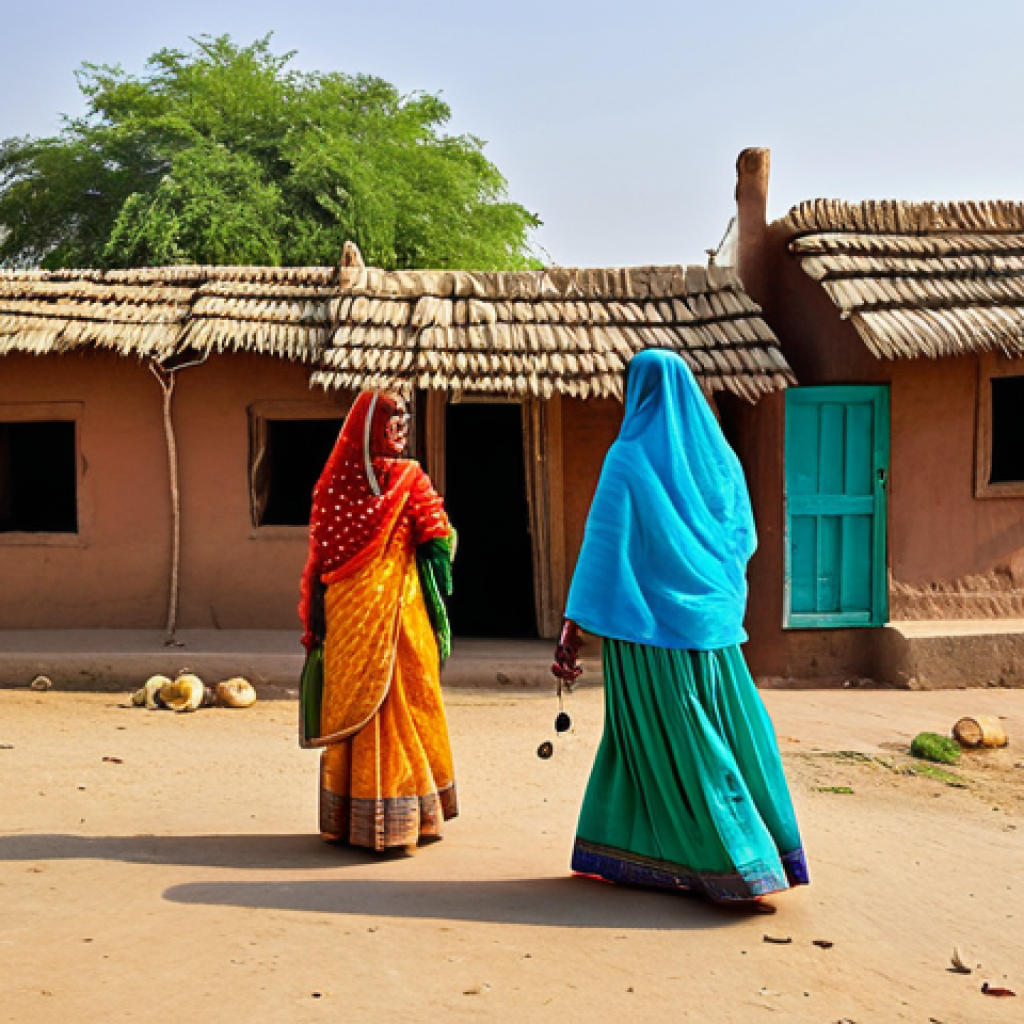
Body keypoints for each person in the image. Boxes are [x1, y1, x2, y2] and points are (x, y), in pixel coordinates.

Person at [552, 349, 808, 907]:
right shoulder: (721, 461)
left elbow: (603, 550)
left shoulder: (627, 458)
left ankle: (735, 860)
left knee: (660, 743)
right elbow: (742, 540)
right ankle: (709, 856)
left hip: (646, 633)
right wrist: (711, 597)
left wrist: (573, 625)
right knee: (718, 733)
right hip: (711, 632)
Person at [299, 390, 457, 851]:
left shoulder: (331, 486)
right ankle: (406, 818)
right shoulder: (410, 479)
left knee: (371, 706)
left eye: (404, 421)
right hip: (398, 615)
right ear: (374, 429)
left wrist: (316, 624)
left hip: (347, 616)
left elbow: (319, 560)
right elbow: (437, 541)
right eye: (394, 422)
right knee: (400, 703)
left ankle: (353, 819)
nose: (402, 430)